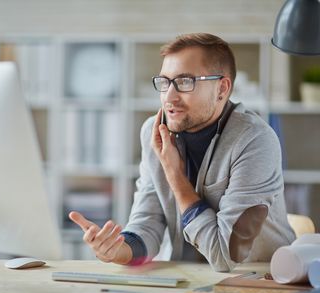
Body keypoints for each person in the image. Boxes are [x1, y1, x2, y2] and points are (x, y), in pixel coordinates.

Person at [69, 33, 295, 272]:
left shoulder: (255, 140)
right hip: (184, 279)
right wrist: (118, 251)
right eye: (165, 82)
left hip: (257, 280)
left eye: (185, 82)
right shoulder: (154, 132)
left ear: (222, 88)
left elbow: (225, 257)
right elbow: (147, 225)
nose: (169, 97)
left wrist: (175, 176)